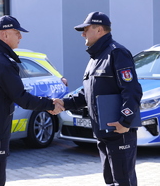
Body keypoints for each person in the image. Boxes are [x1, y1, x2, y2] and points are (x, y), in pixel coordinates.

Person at [0, 15, 63, 186]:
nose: (21, 37)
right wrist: (50, 104)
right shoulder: (2, 63)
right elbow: (22, 98)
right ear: (5, 35)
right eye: (17, 33)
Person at [58, 12, 142, 186]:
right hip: (103, 134)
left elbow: (131, 90)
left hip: (119, 133)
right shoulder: (96, 58)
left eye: (85, 29)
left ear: (99, 30)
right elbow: (87, 94)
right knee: (111, 181)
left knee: (123, 181)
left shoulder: (117, 53)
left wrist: (125, 121)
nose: (82, 34)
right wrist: (64, 103)